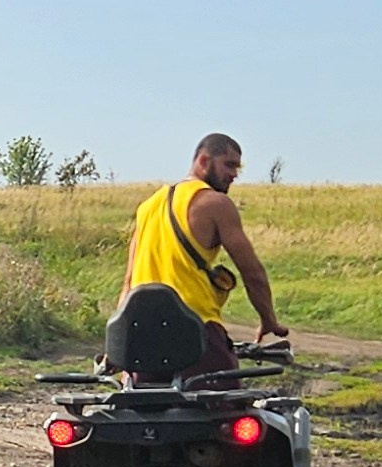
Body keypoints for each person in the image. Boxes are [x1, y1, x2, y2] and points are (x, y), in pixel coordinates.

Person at [120, 134, 285, 364]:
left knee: (143, 397)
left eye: (238, 168)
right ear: (204, 161)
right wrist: (268, 320)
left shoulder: (148, 207)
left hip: (142, 333)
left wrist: (120, 337)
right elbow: (252, 273)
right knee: (225, 397)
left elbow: (129, 281)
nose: (234, 175)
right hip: (194, 328)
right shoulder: (215, 203)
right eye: (229, 165)